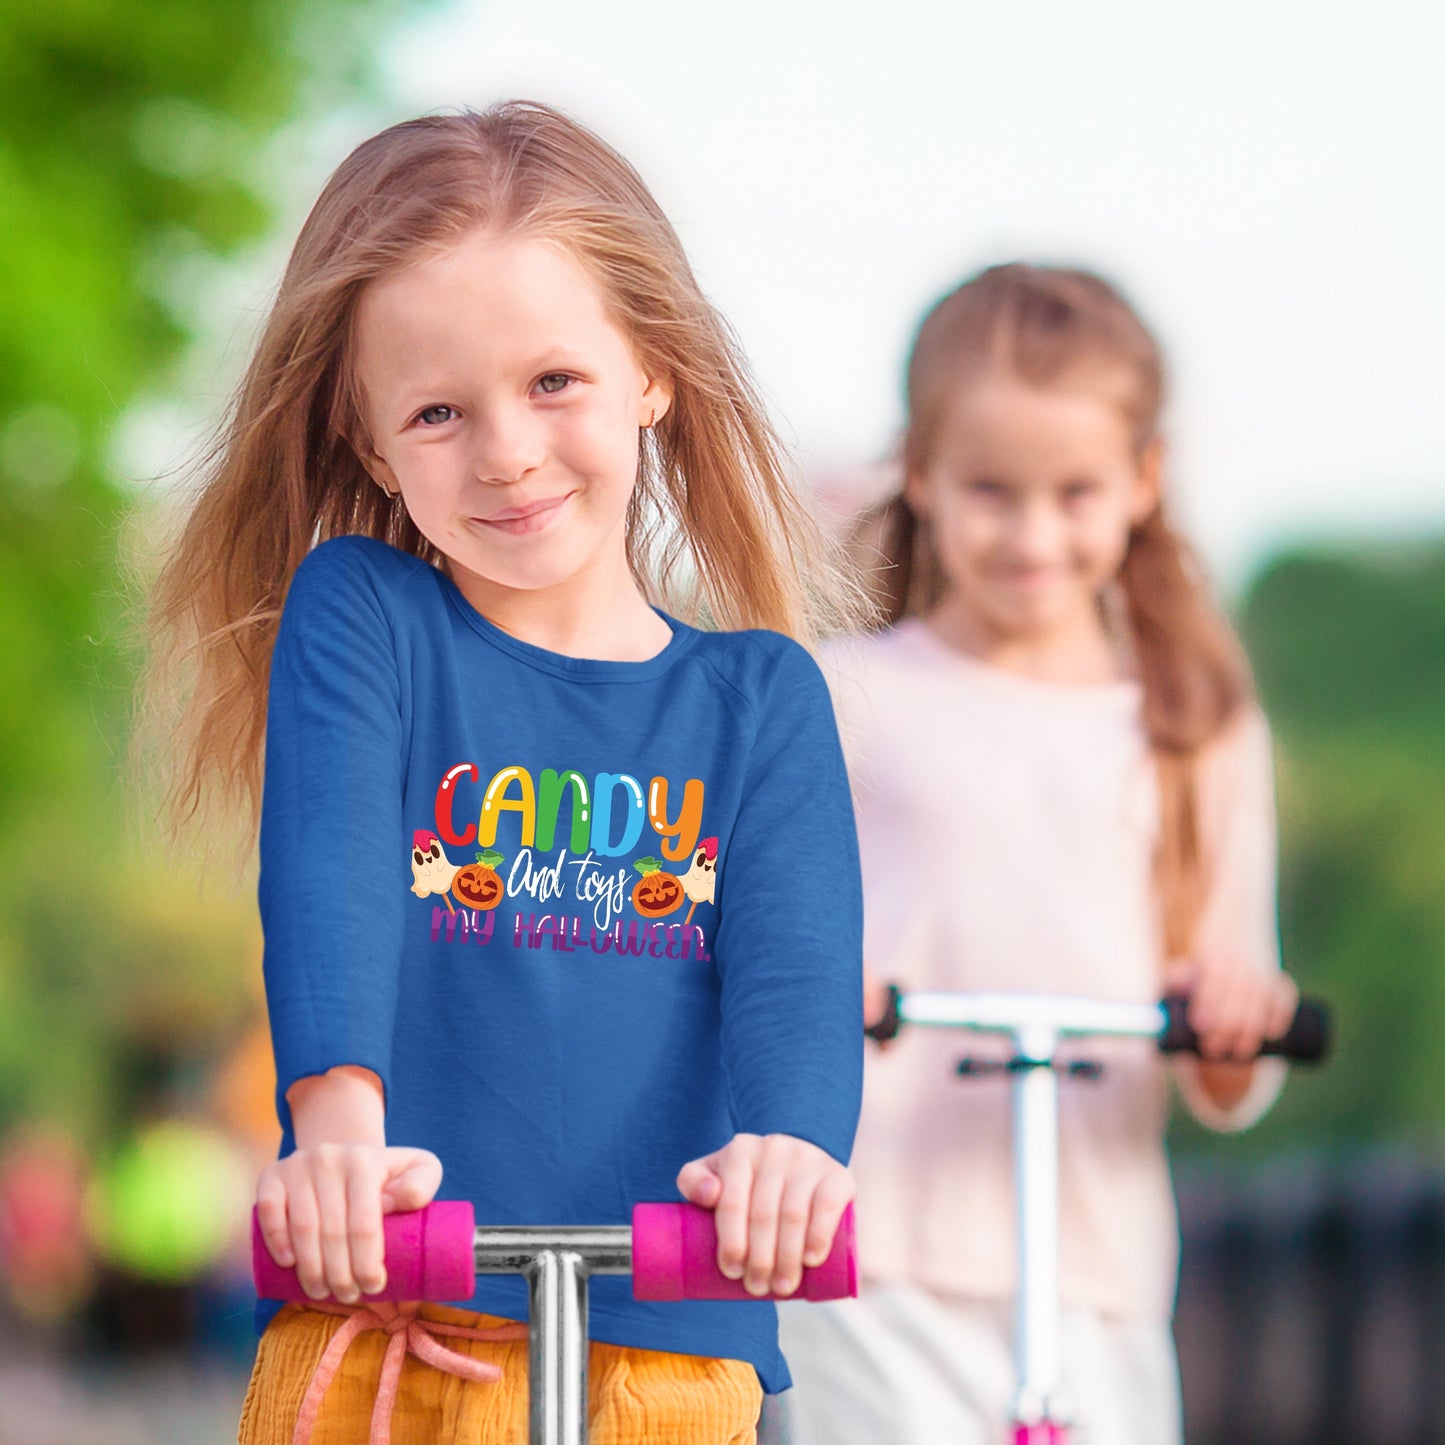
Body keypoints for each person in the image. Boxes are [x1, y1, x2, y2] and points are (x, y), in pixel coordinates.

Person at [141, 102, 866, 1445]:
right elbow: (332, 870)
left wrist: (794, 1151)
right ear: (367, 443)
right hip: (401, 1331)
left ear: (651, 368)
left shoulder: (758, 699)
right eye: (436, 410)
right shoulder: (367, 617)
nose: (508, 452)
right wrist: (336, 1133)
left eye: (553, 383)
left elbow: (797, 977)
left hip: (666, 1353)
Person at [768, 263, 1300, 1445]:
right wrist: (805, 991)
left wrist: (1230, 1012)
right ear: (919, 471)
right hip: (868, 1247)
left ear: (1142, 482)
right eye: (991, 491)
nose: (1032, 533)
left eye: (1074, 493)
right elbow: (763, 934)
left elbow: (1232, 1053)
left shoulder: (1193, 728)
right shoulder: (840, 698)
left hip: (1092, 1265)